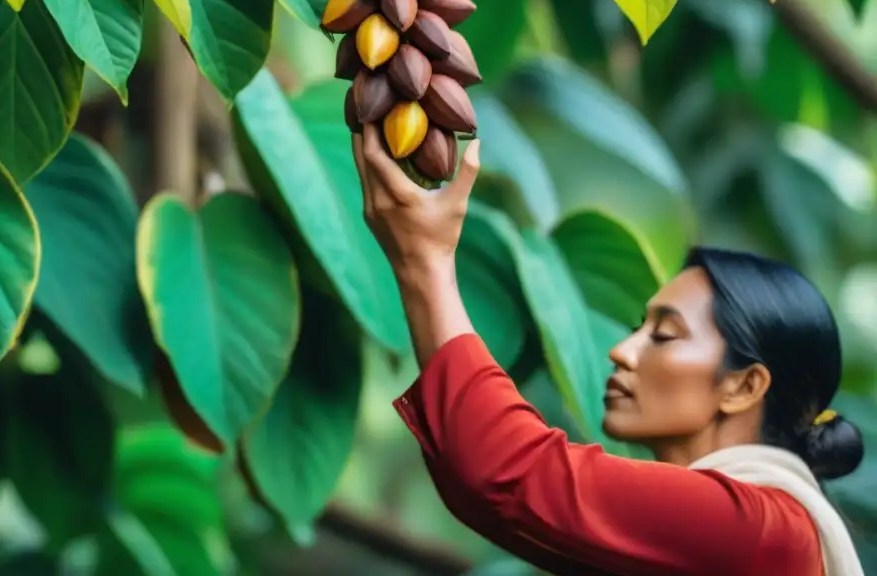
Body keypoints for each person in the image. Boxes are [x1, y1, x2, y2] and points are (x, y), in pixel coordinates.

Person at [351, 124, 866, 576]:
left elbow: (507, 473)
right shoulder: (758, 531)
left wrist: (426, 263)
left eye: (663, 335)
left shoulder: (757, 527)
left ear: (743, 385)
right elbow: (491, 497)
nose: (621, 351)